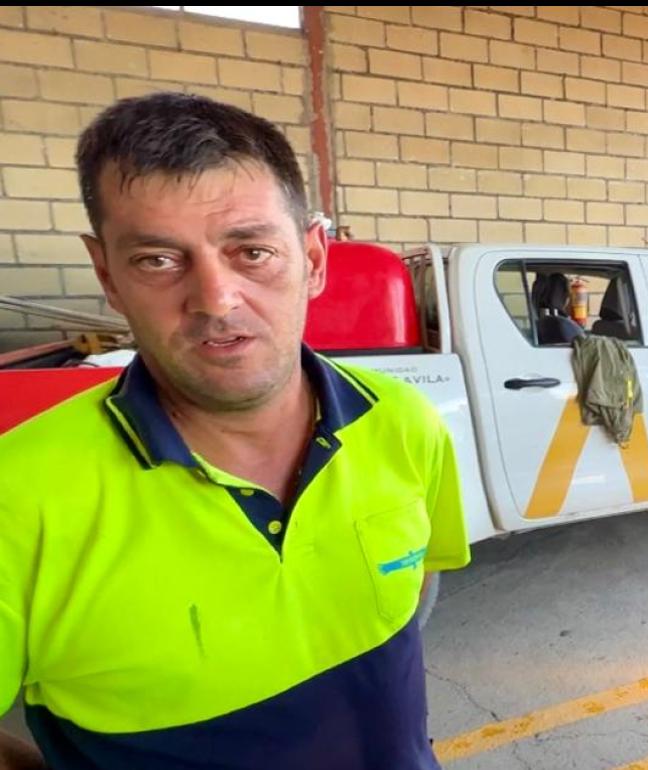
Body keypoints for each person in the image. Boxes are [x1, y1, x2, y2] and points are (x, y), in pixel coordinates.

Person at [0, 93, 470, 770]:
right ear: (106, 273)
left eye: (251, 251)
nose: (216, 300)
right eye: (158, 261)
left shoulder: (404, 423)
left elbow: (410, 602)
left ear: (313, 258)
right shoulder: (19, 497)